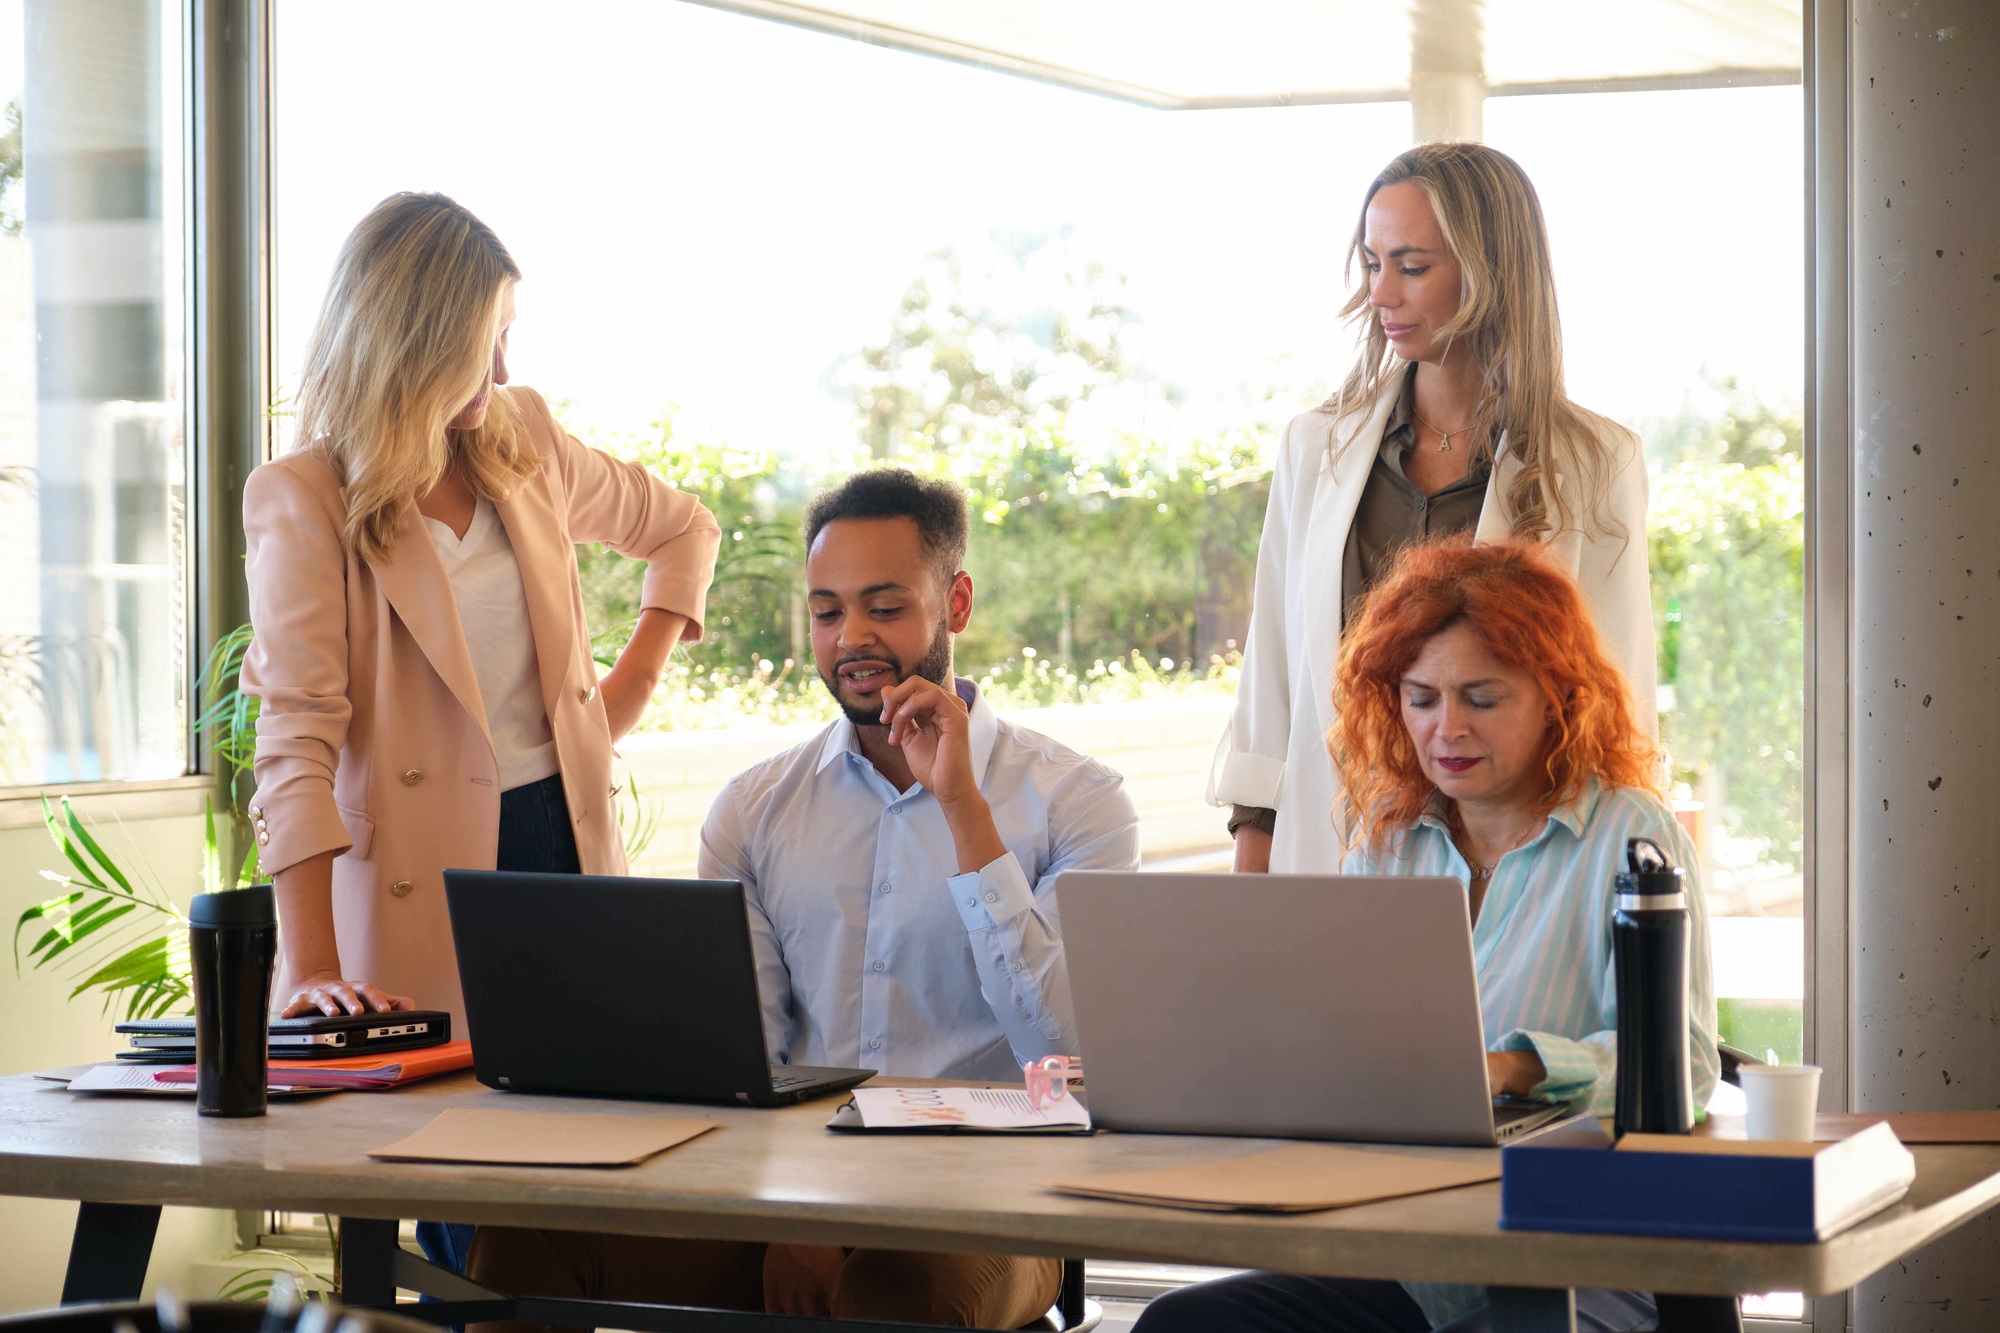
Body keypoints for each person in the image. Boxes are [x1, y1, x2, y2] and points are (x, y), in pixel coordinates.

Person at [467, 468, 1141, 1331]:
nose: (851, 636)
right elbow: (742, 1057)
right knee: (526, 1243)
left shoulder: (1079, 801)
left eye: (884, 607)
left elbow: (1063, 1053)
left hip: (996, 1204)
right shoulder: (755, 809)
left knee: (891, 1297)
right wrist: (794, 1210)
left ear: (956, 602)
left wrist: (963, 807)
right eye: (827, 611)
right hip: (793, 1186)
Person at [241, 191, 720, 1276]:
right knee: (467, 1206)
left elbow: (681, 527)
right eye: (485, 338)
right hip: (418, 883)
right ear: (417, 339)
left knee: (579, 1183)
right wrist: (310, 965)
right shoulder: (304, 498)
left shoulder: (526, 438)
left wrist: (623, 687)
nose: (503, 368)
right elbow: (296, 739)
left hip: (561, 850)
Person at [1143, 538, 1716, 1333]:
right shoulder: (1389, 841)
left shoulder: (1629, 835)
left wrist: (1515, 1067)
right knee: (1182, 1327)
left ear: (1555, 693)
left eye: (1481, 697)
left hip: (1572, 1264)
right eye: (1421, 698)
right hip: (1402, 1250)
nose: (1447, 728)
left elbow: (1685, 1067)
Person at [1214, 142, 1656, 876]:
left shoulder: (1595, 462)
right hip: (1330, 847)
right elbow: (1272, 668)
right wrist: (1251, 863)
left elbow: (1617, 693)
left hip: (1510, 864)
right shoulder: (1314, 447)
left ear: (1491, 273)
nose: (1381, 293)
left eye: (1412, 266)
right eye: (1372, 262)